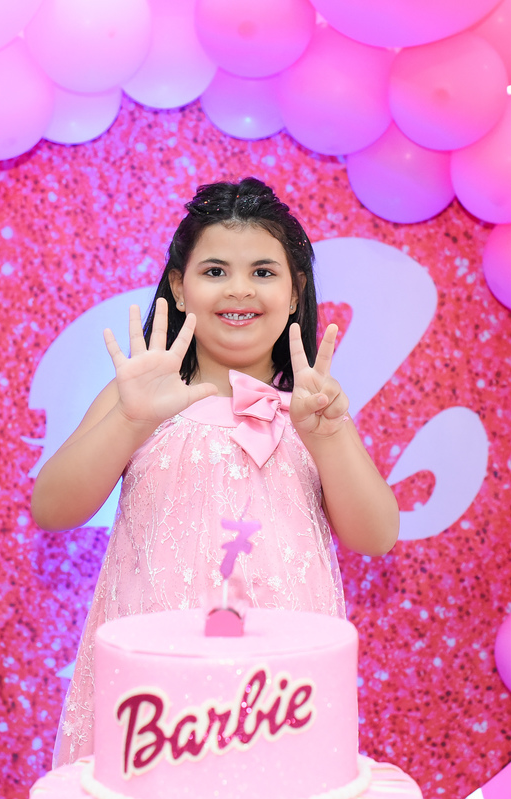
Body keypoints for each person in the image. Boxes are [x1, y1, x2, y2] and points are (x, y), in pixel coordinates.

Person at [31, 177, 400, 767]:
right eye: (215, 271)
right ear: (180, 288)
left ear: (295, 290)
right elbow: (52, 508)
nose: (239, 289)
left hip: (282, 688)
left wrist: (327, 436)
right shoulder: (140, 397)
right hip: (155, 684)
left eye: (263, 272)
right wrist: (129, 419)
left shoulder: (312, 409)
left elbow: (376, 535)